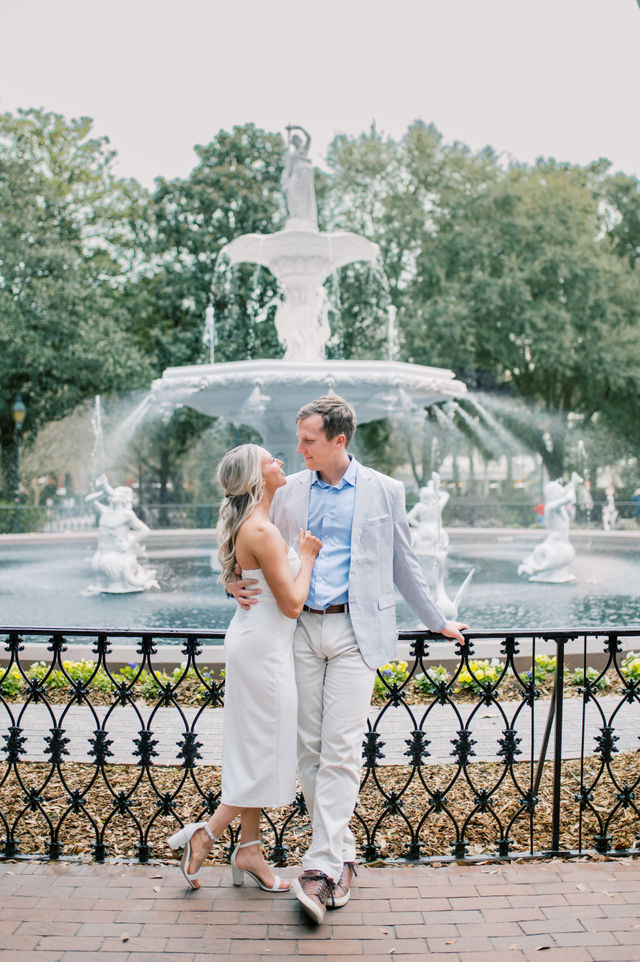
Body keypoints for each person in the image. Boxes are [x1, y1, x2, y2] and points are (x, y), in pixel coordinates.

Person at [230, 396, 468, 923]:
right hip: (299, 630)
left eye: (308, 441)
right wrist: (232, 579)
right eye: (298, 440)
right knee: (310, 751)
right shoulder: (288, 489)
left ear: (340, 440)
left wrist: (436, 620)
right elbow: (242, 533)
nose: (298, 450)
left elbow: (404, 562)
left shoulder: (385, 490)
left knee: (340, 748)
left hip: (357, 632)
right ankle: (343, 854)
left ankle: (318, 866)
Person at [167, 444, 322, 892]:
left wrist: (233, 583)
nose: (281, 462)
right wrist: (307, 556)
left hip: (257, 640)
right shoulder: (262, 530)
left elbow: (250, 579)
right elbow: (292, 605)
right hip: (265, 650)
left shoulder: (256, 522)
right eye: (272, 459)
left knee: (258, 746)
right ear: (257, 476)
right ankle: (206, 835)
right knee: (267, 748)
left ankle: (250, 849)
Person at [281, 124, 317, 225]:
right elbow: (288, 168)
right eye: (294, 140)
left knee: (306, 195)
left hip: (305, 172)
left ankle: (306, 217)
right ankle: (296, 215)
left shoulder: (304, 149)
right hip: (295, 174)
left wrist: (298, 128)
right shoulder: (291, 154)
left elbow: (309, 137)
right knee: (291, 191)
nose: (296, 141)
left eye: (297, 139)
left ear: (300, 140)